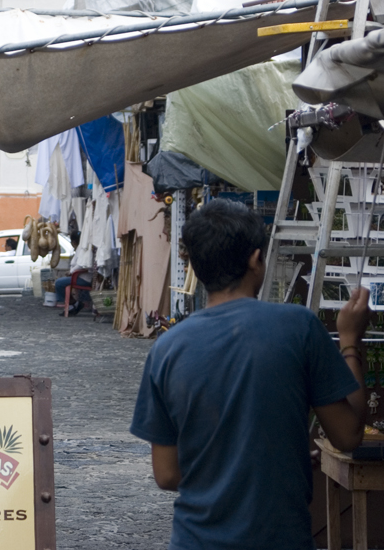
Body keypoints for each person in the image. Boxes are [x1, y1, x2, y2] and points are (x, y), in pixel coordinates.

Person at [130, 199, 368, 550]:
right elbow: (348, 435)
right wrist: (350, 341)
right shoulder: (298, 327)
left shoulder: (166, 349)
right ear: (256, 259)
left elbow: (167, 474)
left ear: (194, 266)